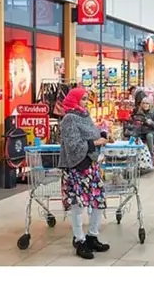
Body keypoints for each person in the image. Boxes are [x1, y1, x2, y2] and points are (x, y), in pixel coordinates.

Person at [58, 87, 110, 260]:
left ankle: (92, 236)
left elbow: (90, 134)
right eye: (83, 99)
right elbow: (73, 146)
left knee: (97, 203)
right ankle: (79, 240)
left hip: (91, 166)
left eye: (87, 98)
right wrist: (96, 141)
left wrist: (102, 134)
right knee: (78, 206)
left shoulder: (84, 115)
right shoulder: (69, 119)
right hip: (77, 168)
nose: (85, 101)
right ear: (74, 99)